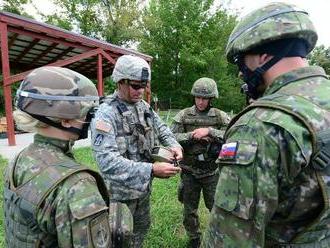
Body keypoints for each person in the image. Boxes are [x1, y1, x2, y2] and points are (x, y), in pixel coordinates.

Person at [202, 2, 330, 247]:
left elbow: (230, 239)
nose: (241, 73)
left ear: (263, 56)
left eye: (242, 61)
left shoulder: (260, 125)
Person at [4, 66, 112, 247]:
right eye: (88, 113)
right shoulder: (77, 185)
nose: (90, 119)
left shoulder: (19, 159)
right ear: (66, 119)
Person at [91, 54, 183, 247]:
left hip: (142, 191)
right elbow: (107, 162)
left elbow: (162, 129)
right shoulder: (106, 114)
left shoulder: (143, 106)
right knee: (117, 239)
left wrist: (174, 145)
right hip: (120, 196)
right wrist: (151, 170)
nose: (141, 90)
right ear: (120, 82)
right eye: (135, 86)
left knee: (139, 233)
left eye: (144, 85)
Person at [171, 77, 230, 248]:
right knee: (189, 210)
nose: (201, 101)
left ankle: (218, 237)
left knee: (216, 208)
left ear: (211, 99)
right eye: (198, 97)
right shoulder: (184, 115)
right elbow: (170, 137)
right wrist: (191, 135)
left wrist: (210, 131)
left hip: (212, 172)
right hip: (189, 171)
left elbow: (232, 134)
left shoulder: (219, 116)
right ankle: (194, 238)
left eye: (204, 98)